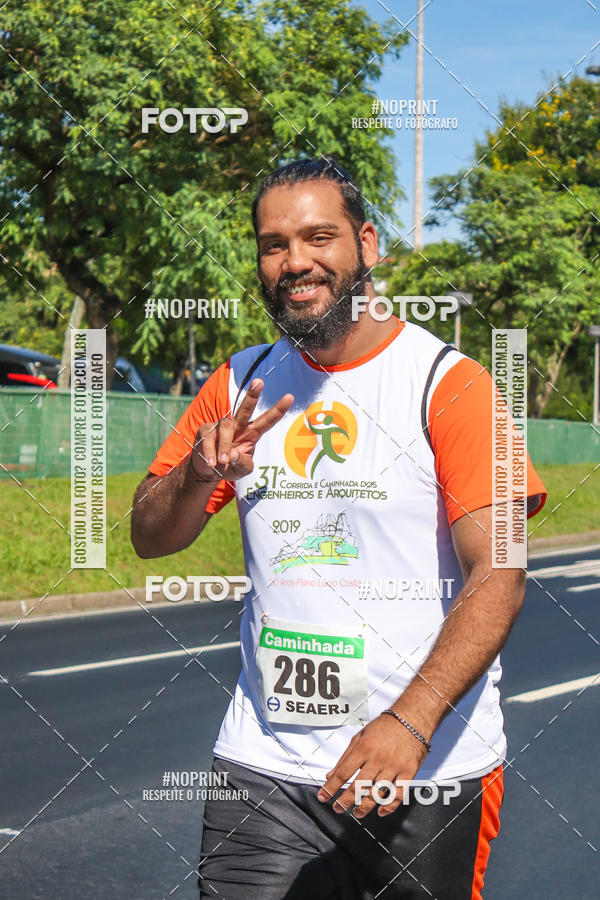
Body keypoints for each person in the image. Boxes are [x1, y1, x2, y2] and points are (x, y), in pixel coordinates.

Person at [131, 156, 547, 899]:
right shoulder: (239, 381)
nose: (295, 262)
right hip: (264, 764)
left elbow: (502, 572)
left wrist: (410, 723)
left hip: (424, 768)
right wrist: (198, 474)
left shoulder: (452, 386)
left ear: (368, 244)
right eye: (273, 244)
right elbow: (149, 535)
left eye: (318, 237)